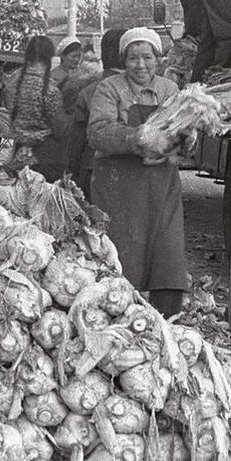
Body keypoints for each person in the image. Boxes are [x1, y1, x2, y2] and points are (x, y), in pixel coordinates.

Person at [86, 27, 187, 317]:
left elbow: (180, 132)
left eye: (147, 57)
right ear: (123, 60)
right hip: (118, 186)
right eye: (133, 58)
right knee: (121, 258)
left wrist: (187, 138)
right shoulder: (109, 88)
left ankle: (167, 324)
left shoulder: (170, 90)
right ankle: (118, 321)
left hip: (161, 186)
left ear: (158, 59)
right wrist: (139, 137)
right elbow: (97, 132)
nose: (140, 65)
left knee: (167, 255)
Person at [65, 28, 124, 195]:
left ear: (103, 55)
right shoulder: (145, 92)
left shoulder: (87, 92)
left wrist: (71, 175)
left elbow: (76, 143)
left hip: (94, 171)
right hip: (131, 177)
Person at [9, 36, 70, 182]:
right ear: (49, 57)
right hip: (45, 156)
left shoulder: (15, 83)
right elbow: (60, 128)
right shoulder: (50, 90)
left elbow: (11, 112)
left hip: (19, 151)